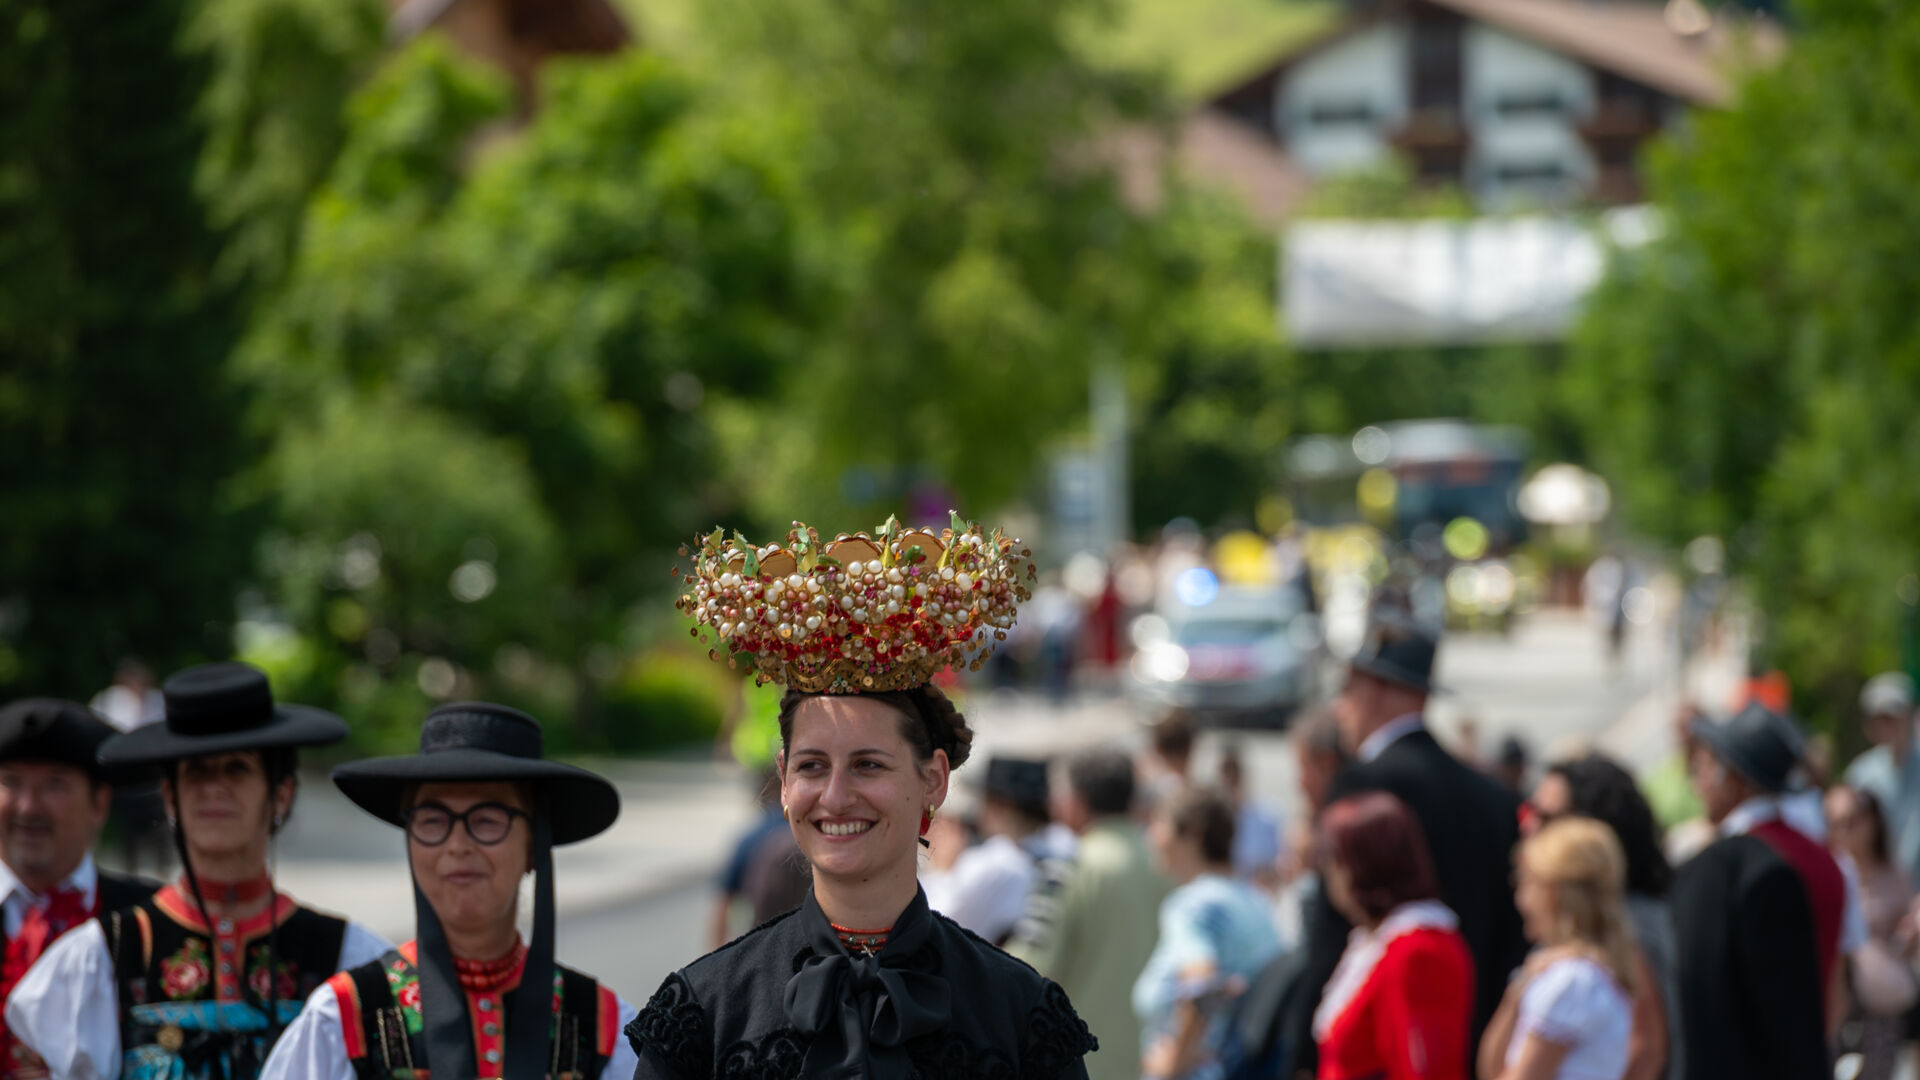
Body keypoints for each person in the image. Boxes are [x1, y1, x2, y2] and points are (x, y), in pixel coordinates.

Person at [628, 520, 1097, 1078]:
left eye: (868, 765)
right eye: (811, 766)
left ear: (934, 779)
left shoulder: (1020, 1015)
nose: (835, 796)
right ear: (783, 783)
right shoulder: (706, 1012)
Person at [7, 662, 391, 1080]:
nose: (214, 788)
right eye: (196, 771)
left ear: (281, 795)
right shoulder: (102, 954)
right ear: (170, 798)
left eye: (237, 768)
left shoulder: (347, 953)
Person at [261, 701, 638, 1078]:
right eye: (433, 820)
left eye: (487, 820)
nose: (458, 845)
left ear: (532, 847)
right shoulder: (340, 1020)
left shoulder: (604, 1027)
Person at [1279, 618, 1527, 1078]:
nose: (1339, 706)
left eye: (1347, 689)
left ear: (1374, 692)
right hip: (1476, 1046)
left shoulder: (1361, 784)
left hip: (1374, 1050)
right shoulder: (1493, 796)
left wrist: (1302, 1057)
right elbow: (1511, 933)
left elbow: (1332, 931)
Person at [1672, 702, 1844, 1080]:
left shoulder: (1725, 867)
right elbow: (1837, 982)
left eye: (1705, 767)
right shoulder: (1828, 860)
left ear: (1731, 776)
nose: (1698, 782)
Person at [0, 699, 161, 1079]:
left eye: (54, 784)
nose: (28, 807)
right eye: (11, 782)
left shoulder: (153, 919)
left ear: (99, 803)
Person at [1008, 747, 1168, 1080]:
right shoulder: (1165, 866)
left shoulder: (1068, 869)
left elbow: (1025, 972)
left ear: (1077, 801)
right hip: (1154, 1061)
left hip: (1082, 1063)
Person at [1529, 755, 1677, 1080]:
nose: (1531, 827)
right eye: (1529, 812)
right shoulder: (1614, 919)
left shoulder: (1627, 925)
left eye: (1547, 817)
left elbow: (1646, 1050)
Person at [1312, 791, 1473, 1080]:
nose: (1328, 874)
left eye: (1333, 860)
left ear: (1360, 866)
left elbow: (1425, 1072)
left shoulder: (1419, 950)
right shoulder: (1381, 940)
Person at [1133, 787, 1281, 1080]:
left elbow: (1201, 985)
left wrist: (1174, 1060)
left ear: (1192, 834)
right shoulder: (1256, 901)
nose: (1151, 836)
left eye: (1159, 823)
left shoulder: (1192, 905)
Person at [1480, 818, 1635, 1080]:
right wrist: (1518, 991)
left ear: (1551, 894)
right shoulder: (1582, 973)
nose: (1519, 898)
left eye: (1525, 882)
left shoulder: (1571, 981)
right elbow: (1492, 1070)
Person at [1826, 785, 1914, 1080]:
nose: (1845, 831)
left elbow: (1906, 934)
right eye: (1836, 824)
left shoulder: (1894, 874)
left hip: (1880, 1002)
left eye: (1853, 821)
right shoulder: (1828, 872)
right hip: (1837, 996)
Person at [924, 757, 1049, 945]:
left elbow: (933, 926)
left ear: (1003, 805)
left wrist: (941, 869)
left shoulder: (996, 862)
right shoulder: (1061, 848)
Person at [711, 766, 807, 948]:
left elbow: (723, 903)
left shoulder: (749, 839)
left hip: (761, 940)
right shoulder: (807, 834)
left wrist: (717, 955)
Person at [1844, 673, 1920, 885]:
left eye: (1892, 717)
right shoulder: (1860, 774)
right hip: (1879, 891)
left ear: (1909, 716)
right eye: (1879, 719)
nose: (1887, 726)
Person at [1218, 746, 1282, 891]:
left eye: (1235, 774)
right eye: (1226, 774)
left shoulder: (1268, 818)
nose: (1231, 781)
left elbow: (1277, 869)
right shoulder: (1210, 824)